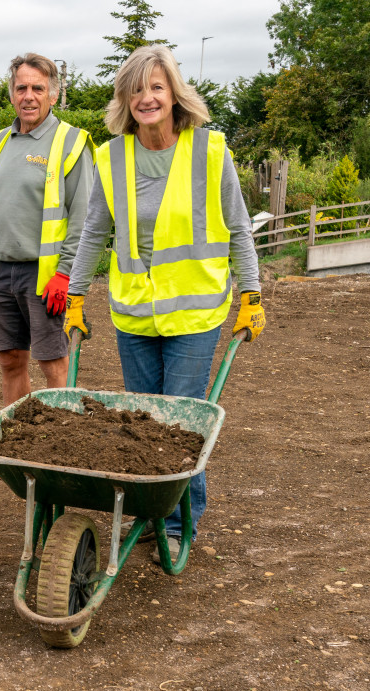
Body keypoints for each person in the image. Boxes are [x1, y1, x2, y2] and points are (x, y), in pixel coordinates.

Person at [64, 45, 267, 561]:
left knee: (179, 422)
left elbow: (239, 228)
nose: (146, 97)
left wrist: (251, 292)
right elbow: (94, 232)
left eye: (156, 86)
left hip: (195, 312)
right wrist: (75, 296)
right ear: (125, 99)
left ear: (175, 94)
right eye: (136, 89)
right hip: (134, 311)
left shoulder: (209, 150)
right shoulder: (110, 157)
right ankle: (155, 514)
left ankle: (180, 524)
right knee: (144, 422)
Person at [0, 53, 95, 481]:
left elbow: (84, 216)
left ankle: (64, 450)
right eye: (21, 88)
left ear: (54, 93)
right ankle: (12, 454)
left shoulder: (72, 142)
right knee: (10, 361)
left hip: (46, 275)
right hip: (1, 271)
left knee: (53, 363)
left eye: (38, 88)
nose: (29, 96)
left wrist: (67, 272)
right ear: (11, 94)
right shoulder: (1, 140)